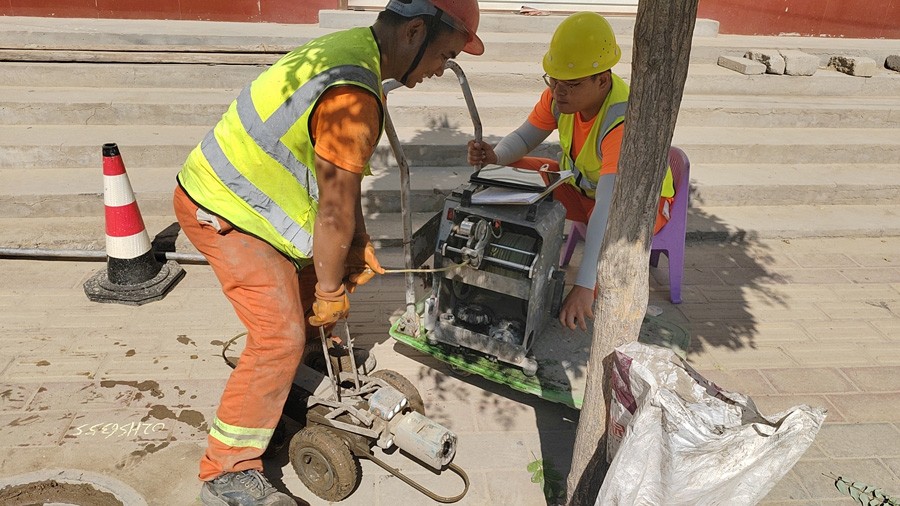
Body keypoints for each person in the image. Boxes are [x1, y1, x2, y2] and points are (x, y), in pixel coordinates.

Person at [173, 0, 484, 503]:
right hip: (225, 208)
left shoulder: (351, 53)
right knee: (280, 336)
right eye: (443, 56)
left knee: (310, 305)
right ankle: (226, 473)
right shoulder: (354, 95)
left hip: (246, 202)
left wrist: (355, 246)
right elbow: (334, 209)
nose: (439, 71)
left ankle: (295, 390)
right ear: (415, 32)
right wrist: (332, 286)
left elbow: (340, 191)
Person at [466, 12, 674, 332]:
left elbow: (607, 209)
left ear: (602, 80)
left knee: (601, 253)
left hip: (636, 207)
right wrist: (495, 155)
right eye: (554, 81)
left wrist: (584, 286)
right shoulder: (559, 94)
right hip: (584, 190)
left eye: (571, 85)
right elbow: (524, 139)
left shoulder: (622, 119)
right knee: (514, 168)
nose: (558, 92)